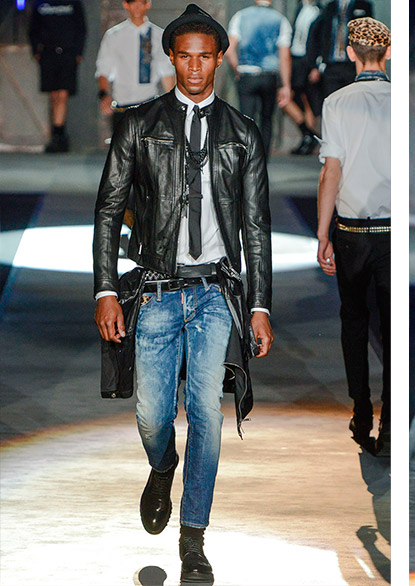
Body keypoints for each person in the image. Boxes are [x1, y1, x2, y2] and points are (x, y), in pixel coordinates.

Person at [93, 5, 274, 584]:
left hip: (215, 292)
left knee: (206, 415)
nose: (195, 68)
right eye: (185, 57)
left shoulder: (243, 134)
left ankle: (193, 539)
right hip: (155, 291)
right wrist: (105, 289)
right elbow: (107, 210)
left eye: (205, 57)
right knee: (151, 415)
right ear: (172, 58)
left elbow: (256, 227)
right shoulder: (137, 125)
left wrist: (259, 305)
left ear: (219, 59)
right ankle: (163, 465)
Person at [316, 17, 390, 456]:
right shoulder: (399, 101)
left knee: (355, 323)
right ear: (388, 53)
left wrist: (322, 233)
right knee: (392, 328)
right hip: (390, 232)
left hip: (352, 232)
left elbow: (332, 171)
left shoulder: (337, 102)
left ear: (349, 53)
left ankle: (362, 411)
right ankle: (390, 418)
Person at [95, 0, 175, 137]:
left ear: (148, 4)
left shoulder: (158, 36)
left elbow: (166, 72)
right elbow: (104, 69)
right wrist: (104, 95)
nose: (137, 7)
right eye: (133, 3)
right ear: (126, 5)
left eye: (141, 3)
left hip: (149, 106)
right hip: (122, 107)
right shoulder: (114, 36)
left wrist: (173, 104)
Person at [225, 0, 292, 160]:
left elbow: (229, 49)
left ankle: (247, 157)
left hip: (247, 74)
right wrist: (286, 85)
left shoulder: (240, 16)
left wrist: (237, 68)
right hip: (269, 75)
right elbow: (284, 56)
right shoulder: (280, 20)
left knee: (246, 119)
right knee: (267, 119)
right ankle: (263, 159)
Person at [28, 0, 86, 153]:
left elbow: (81, 27)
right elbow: (33, 28)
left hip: (67, 53)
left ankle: (59, 134)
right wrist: (36, 51)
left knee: (63, 94)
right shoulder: (40, 3)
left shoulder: (73, 2)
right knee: (54, 95)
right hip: (48, 53)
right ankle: (57, 133)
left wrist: (78, 52)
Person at [306, 0, 373, 102]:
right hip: (332, 65)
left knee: (352, 101)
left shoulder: (363, 6)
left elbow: (369, 37)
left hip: (353, 66)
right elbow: (316, 35)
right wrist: (315, 65)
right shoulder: (330, 7)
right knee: (332, 101)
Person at [283, 0, 322, 155]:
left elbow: (320, 40)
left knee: (307, 100)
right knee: (288, 99)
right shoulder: (300, 8)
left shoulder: (319, 11)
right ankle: (308, 134)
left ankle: (308, 140)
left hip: (309, 60)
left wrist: (316, 66)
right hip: (296, 58)